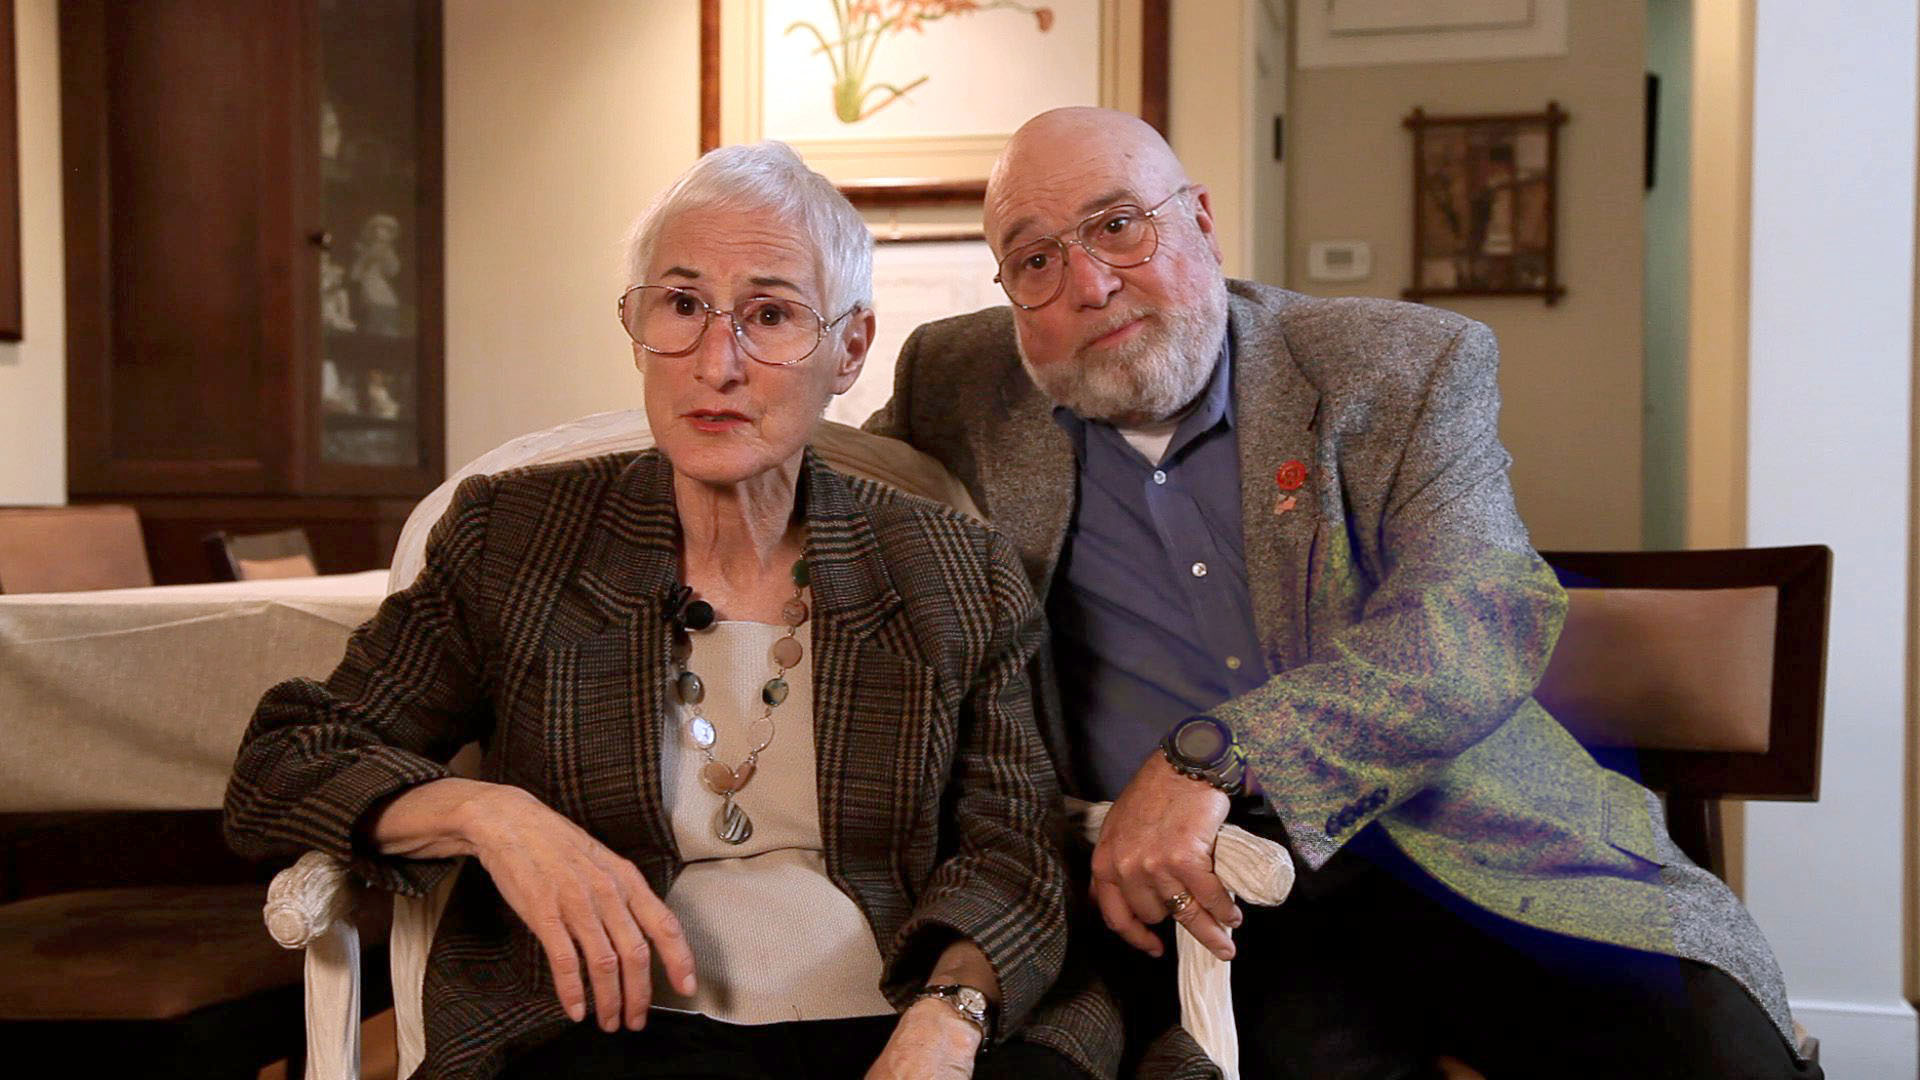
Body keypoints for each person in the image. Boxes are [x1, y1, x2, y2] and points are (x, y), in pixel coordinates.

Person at [866, 106, 1820, 1079]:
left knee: (1714, 1054)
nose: (1090, 284)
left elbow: (1477, 621)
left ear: (1202, 221)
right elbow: (833, 488)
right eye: (1035, 260)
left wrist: (1215, 755)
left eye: (1119, 226)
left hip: (1462, 840)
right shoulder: (960, 380)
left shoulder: (1399, 366)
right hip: (1226, 905)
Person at [225, 142, 1093, 1080]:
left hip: (891, 1015)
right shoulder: (517, 538)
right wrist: (489, 815)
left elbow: (1018, 848)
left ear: (849, 350)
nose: (717, 364)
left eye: (771, 315)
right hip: (597, 1027)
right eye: (681, 305)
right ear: (638, 331)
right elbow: (287, 760)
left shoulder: (952, 567)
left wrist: (947, 1017)